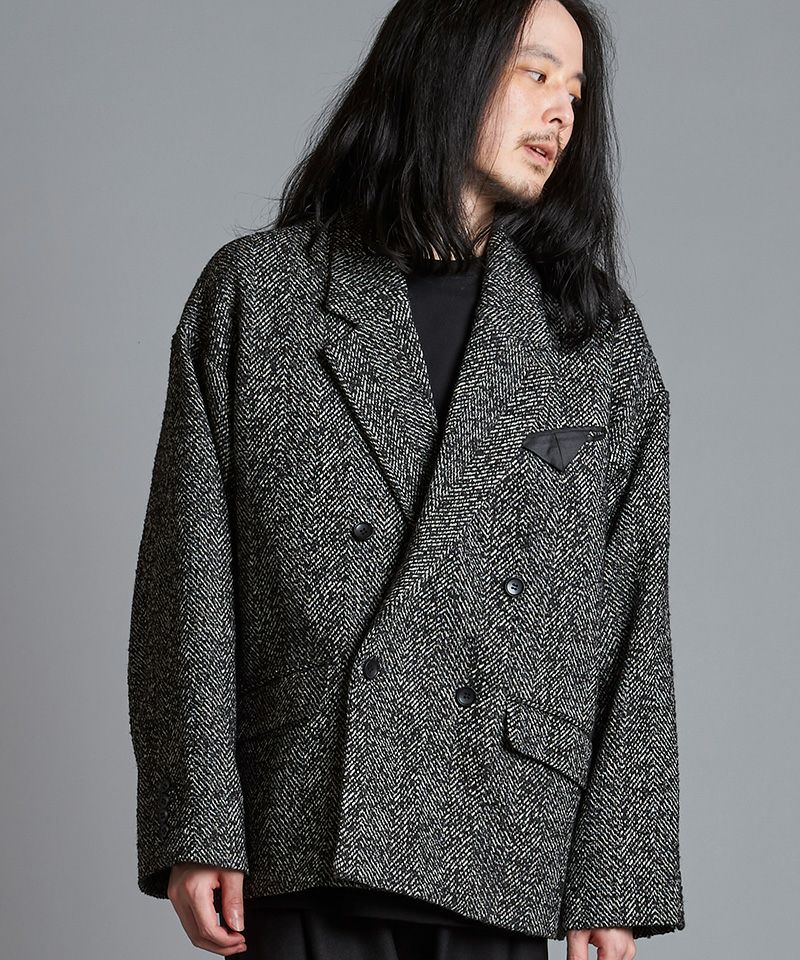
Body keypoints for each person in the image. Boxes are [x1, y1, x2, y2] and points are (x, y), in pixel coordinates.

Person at [127, 0, 687, 958]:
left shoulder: (596, 338)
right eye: (536, 72)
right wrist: (198, 821)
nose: (562, 110)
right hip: (306, 817)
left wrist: (616, 875)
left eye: (577, 90)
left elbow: (633, 612)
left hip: (506, 838)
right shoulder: (261, 296)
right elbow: (189, 580)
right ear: (446, 65)